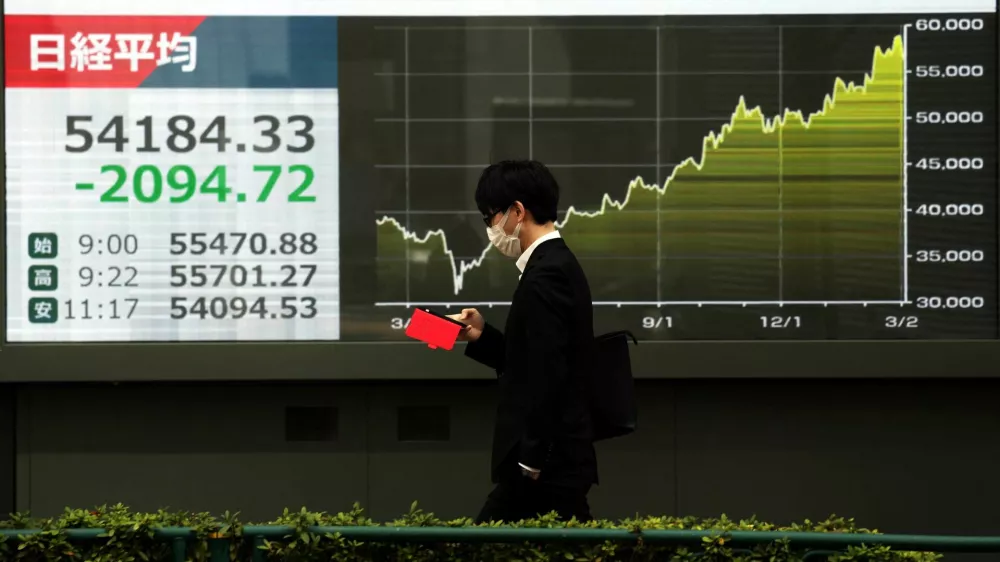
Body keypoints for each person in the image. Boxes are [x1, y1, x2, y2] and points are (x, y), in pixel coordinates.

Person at [450, 160, 598, 524]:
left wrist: (530, 460)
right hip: (552, 461)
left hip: (543, 465)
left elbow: (549, 373)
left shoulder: (546, 274)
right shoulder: (551, 266)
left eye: (489, 218)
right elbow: (532, 359)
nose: (489, 229)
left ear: (517, 211)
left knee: (480, 545)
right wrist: (481, 335)